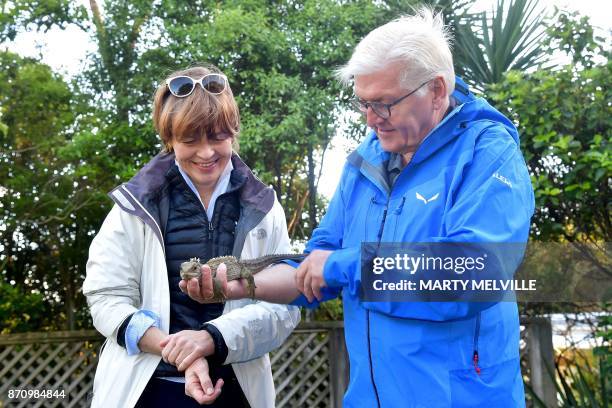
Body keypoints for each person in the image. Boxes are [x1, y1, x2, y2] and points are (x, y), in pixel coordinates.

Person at [181, 8, 535, 408]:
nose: (371, 120)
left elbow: (474, 272)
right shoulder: (366, 160)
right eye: (363, 103)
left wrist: (343, 266)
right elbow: (316, 265)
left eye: (384, 104)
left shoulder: (488, 153)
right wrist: (243, 284)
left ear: (436, 90)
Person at [83, 64, 300, 408]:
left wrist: (211, 339)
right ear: (169, 139)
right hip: (148, 391)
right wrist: (181, 350)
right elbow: (106, 296)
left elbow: (284, 307)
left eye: (217, 137)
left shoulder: (264, 206)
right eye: (189, 140)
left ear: (233, 131)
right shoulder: (134, 206)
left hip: (238, 389)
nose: (206, 153)